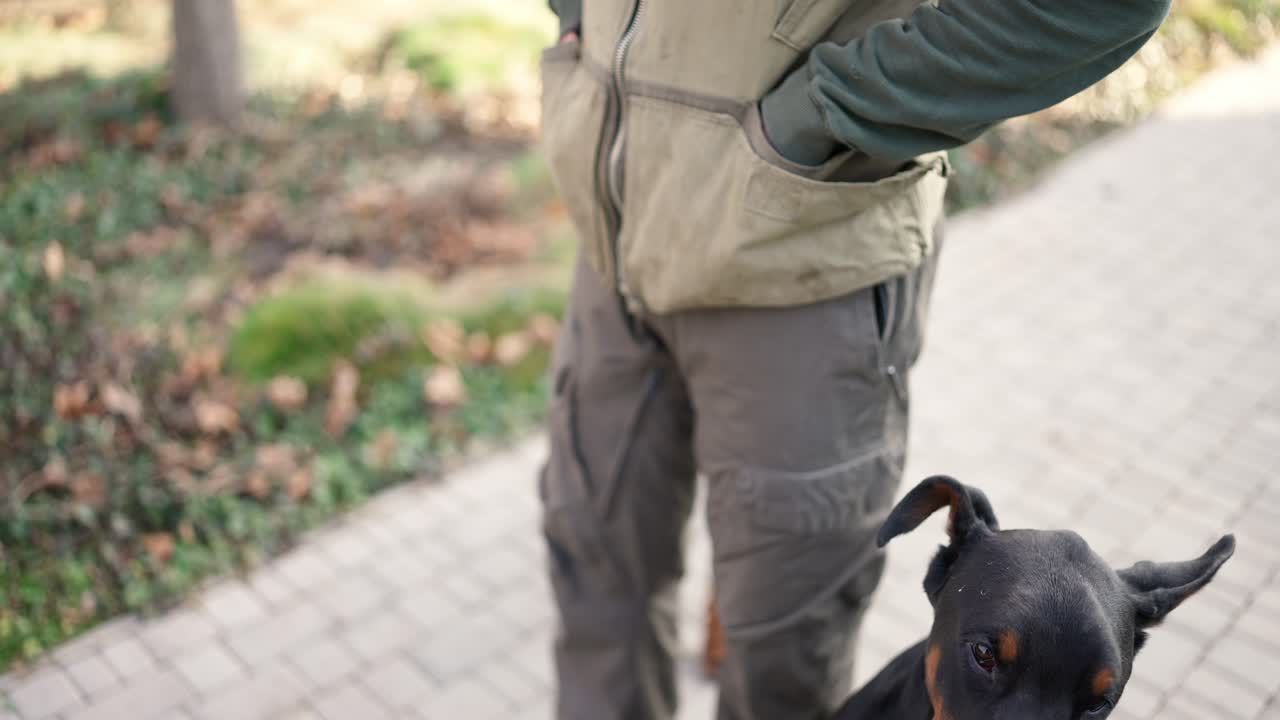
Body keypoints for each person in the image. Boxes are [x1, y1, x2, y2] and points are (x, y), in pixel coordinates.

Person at [537, 1, 1172, 718]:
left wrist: (818, 116)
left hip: (801, 251)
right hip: (613, 243)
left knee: (783, 653)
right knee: (596, 584)